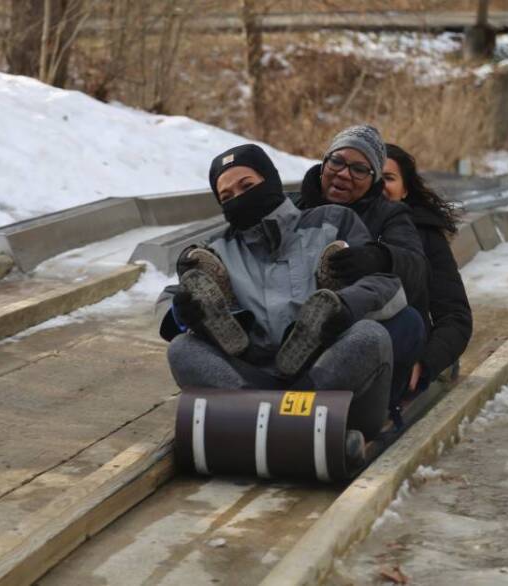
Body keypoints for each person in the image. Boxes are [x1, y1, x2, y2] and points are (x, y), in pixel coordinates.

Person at [158, 143, 407, 446]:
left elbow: (387, 286)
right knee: (183, 348)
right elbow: (170, 296)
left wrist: (346, 305)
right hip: (253, 377)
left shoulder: (333, 222)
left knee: (370, 335)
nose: (240, 198)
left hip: (324, 375)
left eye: (247, 186)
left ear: (271, 180)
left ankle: (257, 421)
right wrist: (180, 313)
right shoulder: (217, 249)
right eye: (227, 196)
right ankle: (285, 422)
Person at [297, 125, 429, 419]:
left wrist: (379, 256)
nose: (344, 174)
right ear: (324, 163)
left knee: (407, 322)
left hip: (355, 325)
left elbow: (416, 267)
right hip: (294, 320)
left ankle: (357, 408)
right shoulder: (293, 208)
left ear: (374, 180)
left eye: (359, 169)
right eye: (337, 162)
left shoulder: (390, 215)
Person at [382, 143, 473, 392]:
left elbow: (455, 315)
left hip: (405, 352)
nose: (379, 186)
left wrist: (426, 363)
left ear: (405, 190)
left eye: (388, 178)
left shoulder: (425, 235)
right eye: (371, 177)